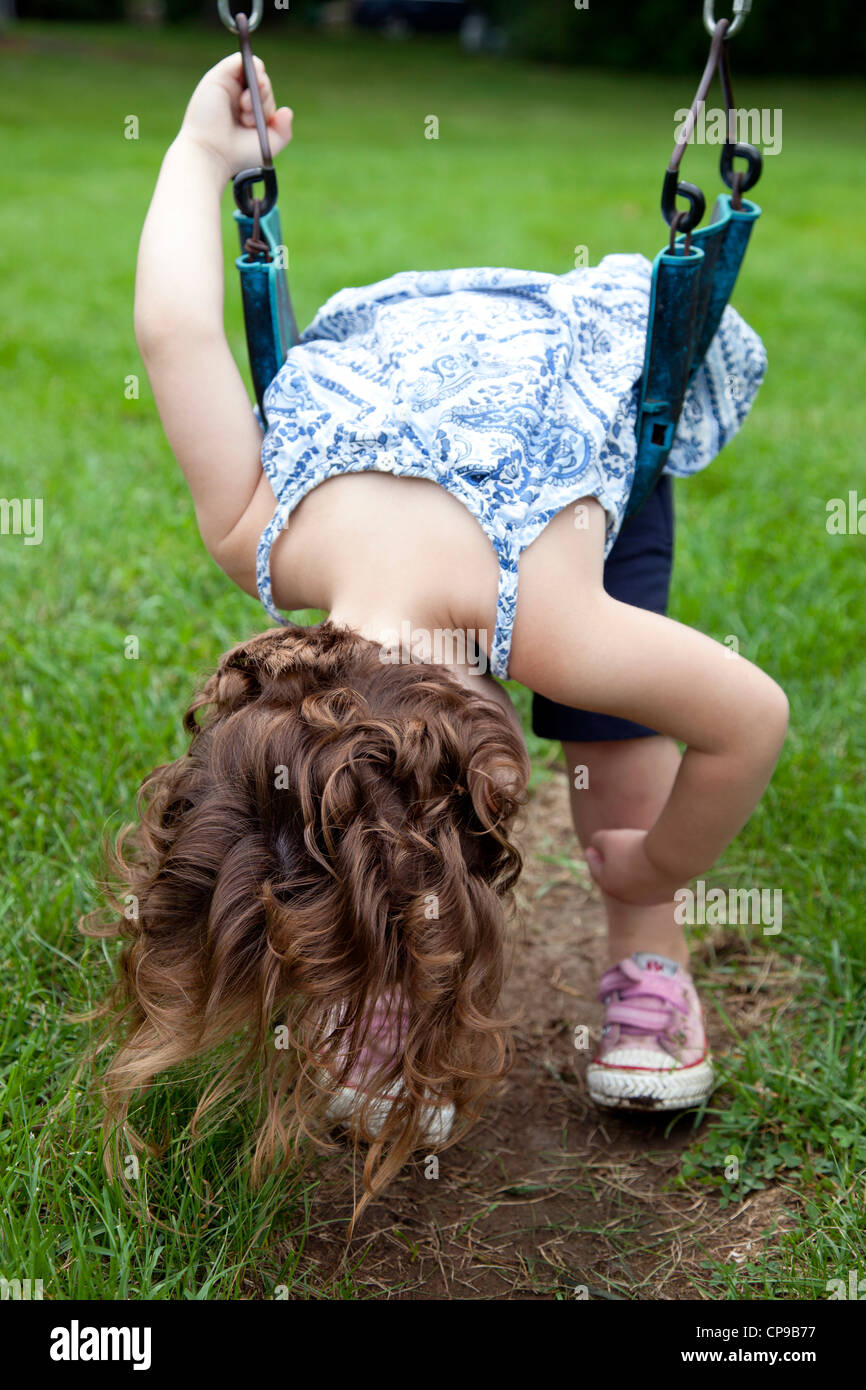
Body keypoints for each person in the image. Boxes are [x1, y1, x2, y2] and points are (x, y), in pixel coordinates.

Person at [86, 54, 787, 1219]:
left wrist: (660, 860)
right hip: (406, 351)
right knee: (359, 842)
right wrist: (201, 155)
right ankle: (379, 969)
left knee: (617, 754)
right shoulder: (256, 530)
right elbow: (170, 334)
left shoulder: (559, 623)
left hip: (578, 388)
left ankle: (643, 943)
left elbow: (746, 719)